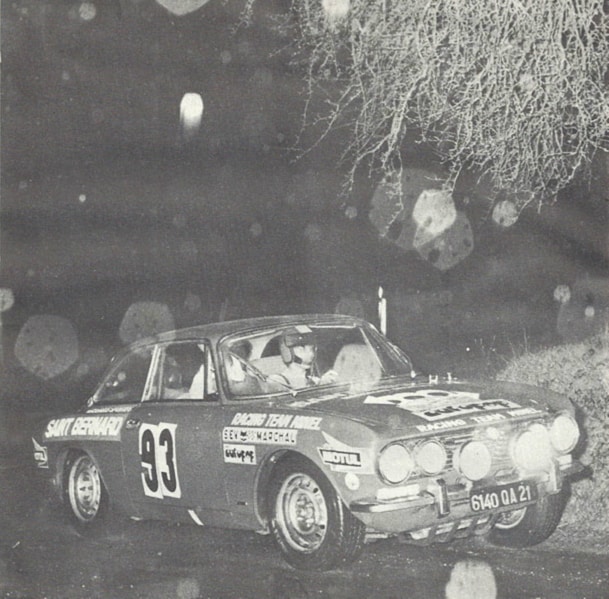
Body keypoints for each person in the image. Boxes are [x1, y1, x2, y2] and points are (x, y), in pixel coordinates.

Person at [270, 326, 338, 389]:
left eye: (314, 349)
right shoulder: (276, 381)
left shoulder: (314, 380)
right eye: (312, 349)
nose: (313, 353)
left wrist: (323, 385)